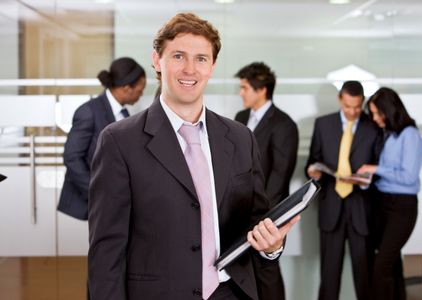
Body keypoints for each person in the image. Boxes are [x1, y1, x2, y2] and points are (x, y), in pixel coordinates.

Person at [88, 13, 299, 300]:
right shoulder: (119, 141)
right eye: (178, 56)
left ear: (211, 66)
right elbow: (106, 252)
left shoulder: (240, 138)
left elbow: (254, 221)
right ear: (156, 60)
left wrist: (272, 245)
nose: (190, 69)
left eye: (201, 58)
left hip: (230, 292)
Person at [305, 81, 381, 300]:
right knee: (329, 277)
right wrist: (312, 171)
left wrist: (366, 180)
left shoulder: (373, 126)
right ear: (340, 100)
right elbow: (312, 160)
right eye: (348, 106)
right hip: (331, 208)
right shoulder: (323, 124)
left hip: (361, 210)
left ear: (363, 102)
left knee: (364, 276)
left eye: (357, 107)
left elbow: (379, 166)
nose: (352, 112)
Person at [234, 62, 299, 300]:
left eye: (244, 87)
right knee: (243, 271)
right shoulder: (240, 117)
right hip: (238, 208)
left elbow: (280, 176)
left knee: (266, 270)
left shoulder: (284, 124)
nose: (240, 93)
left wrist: (262, 215)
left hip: (267, 212)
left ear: (261, 90)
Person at [357, 87, 422, 300]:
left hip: (402, 207)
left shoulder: (410, 135)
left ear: (390, 110)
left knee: (382, 266)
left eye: (379, 113)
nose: (376, 118)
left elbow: (408, 176)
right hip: (382, 203)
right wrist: (364, 179)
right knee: (393, 263)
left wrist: (374, 169)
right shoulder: (388, 134)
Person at [58, 57, 146, 220]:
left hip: (118, 199)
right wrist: (97, 193)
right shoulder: (89, 111)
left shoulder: (125, 114)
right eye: (140, 90)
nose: (140, 95)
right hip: (93, 201)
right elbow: (72, 157)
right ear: (127, 88)